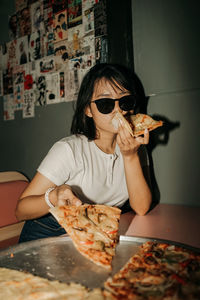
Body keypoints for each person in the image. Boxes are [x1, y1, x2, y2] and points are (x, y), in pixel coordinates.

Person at [16, 63, 152, 243]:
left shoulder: (135, 147)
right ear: (88, 110)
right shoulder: (69, 150)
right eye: (105, 103)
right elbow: (21, 210)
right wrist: (53, 196)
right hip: (50, 230)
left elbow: (141, 208)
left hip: (95, 231)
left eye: (126, 101)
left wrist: (130, 156)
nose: (119, 110)